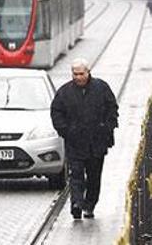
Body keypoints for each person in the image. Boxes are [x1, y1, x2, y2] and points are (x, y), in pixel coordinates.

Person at [50, 57, 118, 219]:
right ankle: (77, 203)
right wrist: (65, 131)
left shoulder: (101, 88)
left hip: (97, 143)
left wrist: (106, 128)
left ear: (88, 72)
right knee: (76, 175)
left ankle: (90, 204)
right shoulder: (64, 92)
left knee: (94, 176)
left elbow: (112, 109)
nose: (79, 77)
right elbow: (56, 112)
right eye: (75, 74)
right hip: (75, 143)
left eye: (81, 73)